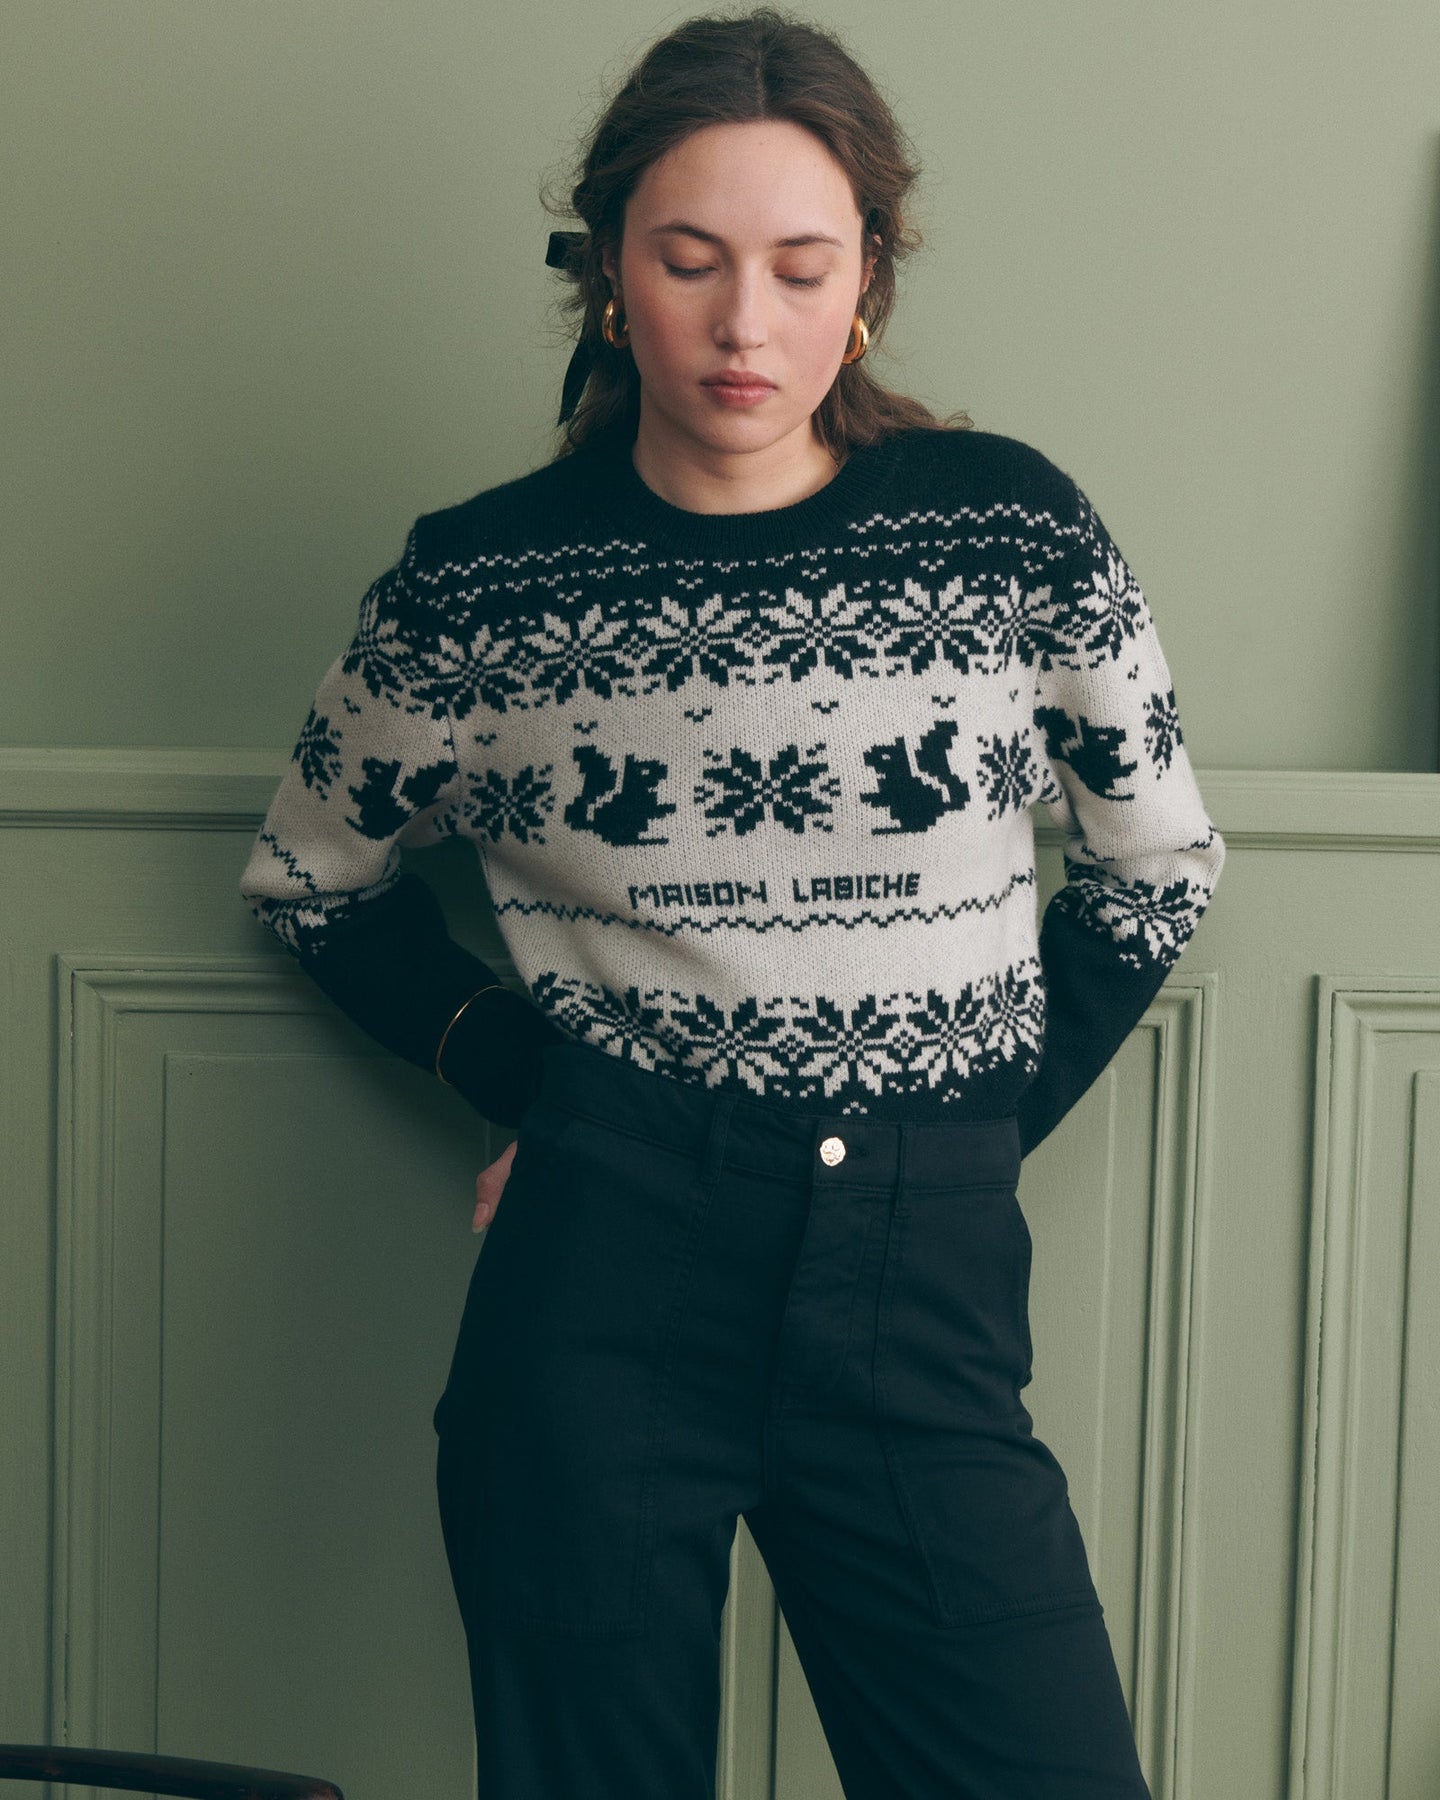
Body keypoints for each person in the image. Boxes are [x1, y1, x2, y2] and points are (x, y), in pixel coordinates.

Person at [238, 8, 1224, 1796]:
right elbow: (310, 879)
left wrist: (977, 1124)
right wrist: (536, 1086)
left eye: (800, 265)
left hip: (921, 1278)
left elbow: (1159, 862)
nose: (744, 322)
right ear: (612, 276)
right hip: (600, 1277)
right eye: (689, 261)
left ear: (870, 283)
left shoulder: (1011, 534)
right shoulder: (482, 584)